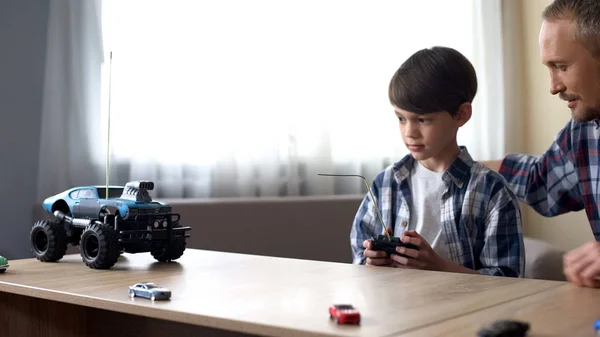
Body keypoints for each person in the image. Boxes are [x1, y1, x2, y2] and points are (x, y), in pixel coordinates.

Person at [350, 46, 525, 277]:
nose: (409, 132)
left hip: (465, 311)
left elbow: (509, 280)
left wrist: (440, 267)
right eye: (401, 118)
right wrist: (372, 263)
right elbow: (359, 256)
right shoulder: (385, 184)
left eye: (423, 120)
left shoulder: (491, 191)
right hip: (396, 308)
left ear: (461, 115)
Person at [483, 0, 600, 288]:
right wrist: (456, 162)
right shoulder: (583, 132)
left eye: (562, 66)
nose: (553, 86)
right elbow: (539, 180)